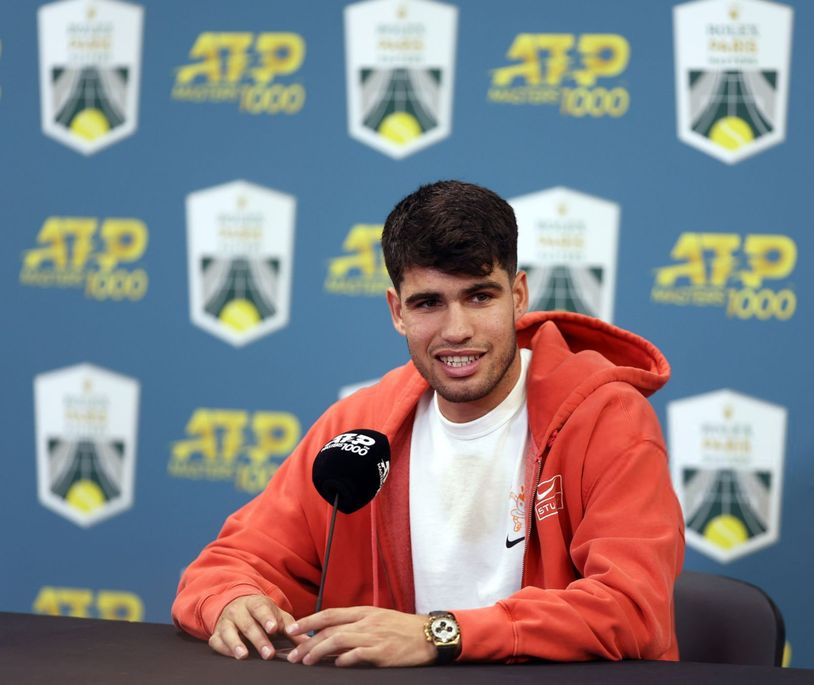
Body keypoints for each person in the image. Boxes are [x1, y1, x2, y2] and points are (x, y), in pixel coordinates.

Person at [172, 180, 685, 667]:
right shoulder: (359, 427)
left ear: (518, 297)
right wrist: (233, 600)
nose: (457, 330)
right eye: (428, 303)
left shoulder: (606, 418)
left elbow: (632, 609)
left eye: (480, 297)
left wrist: (437, 634)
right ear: (397, 311)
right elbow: (230, 564)